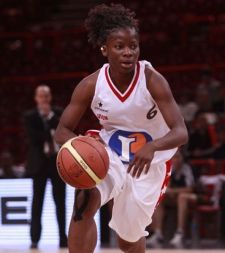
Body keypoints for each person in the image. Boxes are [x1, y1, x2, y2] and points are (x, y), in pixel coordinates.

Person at [54, 4, 188, 253]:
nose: (128, 52)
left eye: (133, 46)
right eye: (120, 47)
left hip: (148, 164)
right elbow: (61, 131)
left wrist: (153, 146)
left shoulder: (152, 81)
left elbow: (181, 131)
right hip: (109, 154)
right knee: (85, 198)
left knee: (128, 241)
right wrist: (82, 148)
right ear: (105, 49)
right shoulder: (90, 85)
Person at [24, 85, 67, 249]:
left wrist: (50, 118)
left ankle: (63, 238)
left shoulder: (59, 113)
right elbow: (33, 138)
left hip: (57, 163)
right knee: (37, 202)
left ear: (50, 97)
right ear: (36, 98)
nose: (44, 99)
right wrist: (49, 122)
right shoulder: (30, 116)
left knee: (60, 202)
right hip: (39, 165)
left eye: (46, 96)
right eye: (41, 96)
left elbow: (62, 134)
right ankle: (34, 238)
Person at [147, 150, 194, 248]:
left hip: (193, 197)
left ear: (182, 159)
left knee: (182, 197)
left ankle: (180, 233)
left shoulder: (187, 169)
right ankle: (158, 233)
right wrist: (169, 191)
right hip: (175, 198)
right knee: (159, 198)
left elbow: (190, 189)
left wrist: (173, 191)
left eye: (178, 157)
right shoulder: (170, 170)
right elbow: (166, 188)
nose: (175, 160)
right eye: (174, 157)